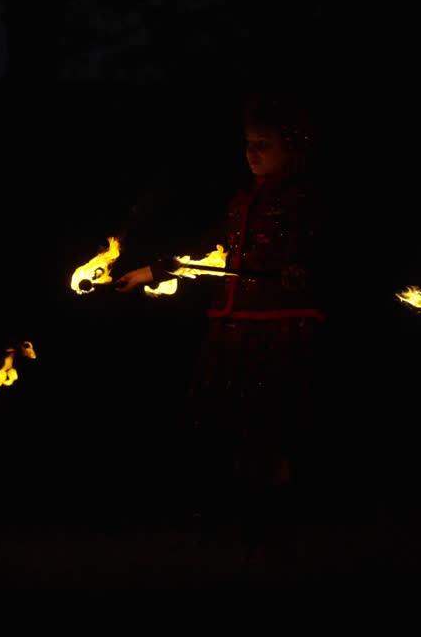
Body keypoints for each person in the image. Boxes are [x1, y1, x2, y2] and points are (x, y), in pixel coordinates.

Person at [112, 91, 327, 565]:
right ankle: (251, 539)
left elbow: (312, 252)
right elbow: (205, 252)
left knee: (270, 438)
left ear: (292, 148)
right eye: (248, 143)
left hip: (276, 329)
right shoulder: (241, 200)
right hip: (233, 326)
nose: (252, 153)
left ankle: (279, 538)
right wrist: (149, 272)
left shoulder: (302, 201)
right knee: (238, 440)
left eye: (264, 144)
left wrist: (298, 267)